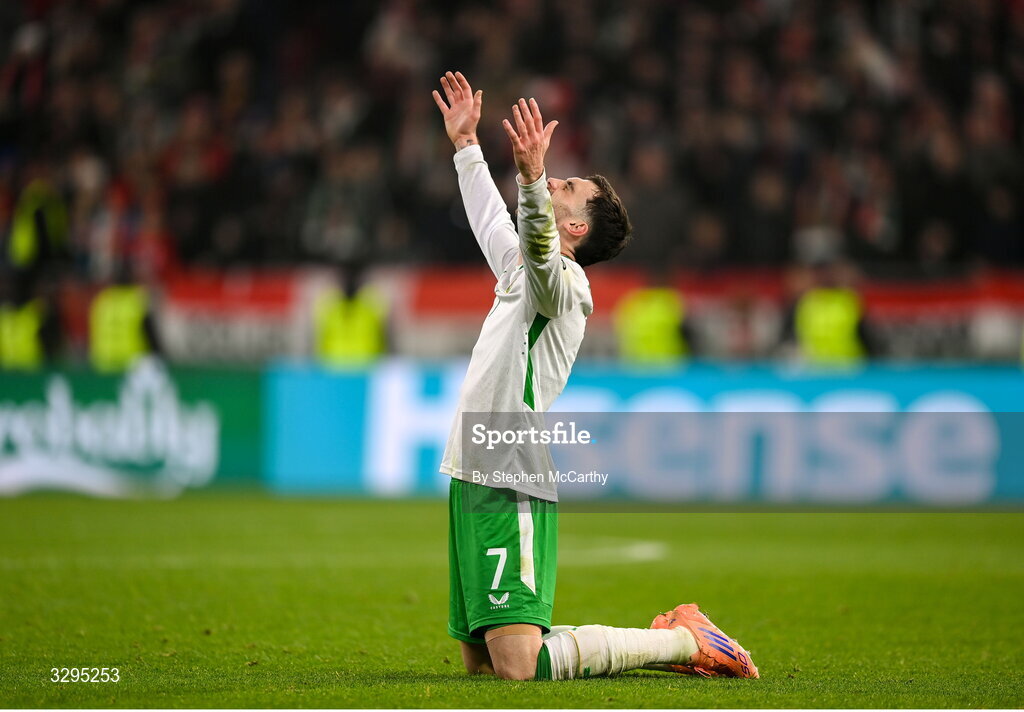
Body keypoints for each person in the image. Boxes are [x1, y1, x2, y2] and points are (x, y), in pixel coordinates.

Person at [433, 71, 758, 682]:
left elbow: (535, 251)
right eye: (559, 178)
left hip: (510, 470)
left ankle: (683, 643)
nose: (557, 180)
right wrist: (466, 147)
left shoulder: (567, 284)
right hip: (472, 462)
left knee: (520, 669)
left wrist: (531, 179)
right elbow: (494, 228)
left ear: (576, 228)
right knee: (480, 660)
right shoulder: (525, 274)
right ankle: (666, 640)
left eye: (569, 186)